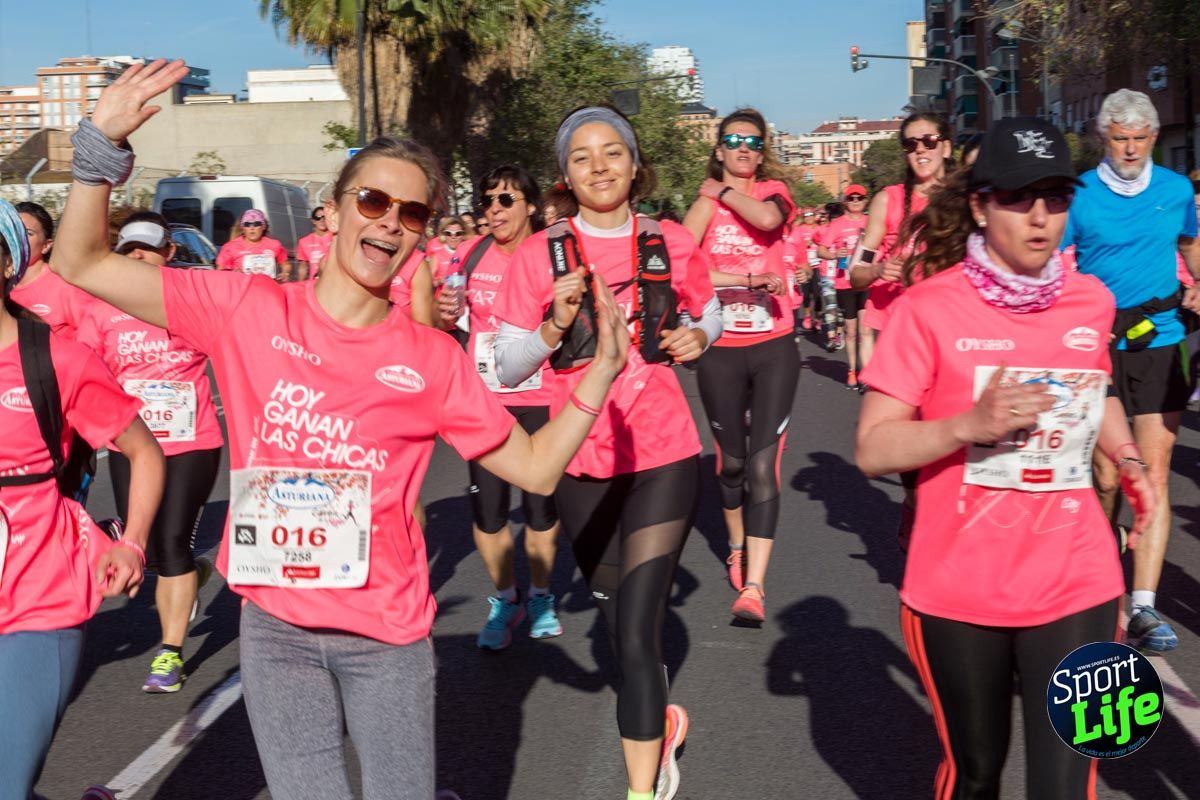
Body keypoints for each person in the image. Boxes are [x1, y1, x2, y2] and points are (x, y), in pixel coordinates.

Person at [52, 59, 630, 800]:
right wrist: (99, 146)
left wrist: (601, 373)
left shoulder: (430, 360)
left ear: (421, 237)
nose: (390, 221)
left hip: (384, 637)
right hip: (275, 630)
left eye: (412, 213)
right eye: (374, 199)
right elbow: (80, 260)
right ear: (337, 207)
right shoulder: (246, 308)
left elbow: (537, 471)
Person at [856, 117, 1156, 800]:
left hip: (1078, 577)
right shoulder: (928, 309)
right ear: (982, 204)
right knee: (975, 776)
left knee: (1067, 781)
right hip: (959, 587)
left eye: (1056, 197)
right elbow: (873, 448)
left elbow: (1096, 390)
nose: (1041, 217)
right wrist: (969, 423)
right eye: (1021, 198)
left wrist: (1129, 457)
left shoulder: (1091, 300)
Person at [493, 105, 721, 800]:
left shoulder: (671, 240)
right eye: (583, 157)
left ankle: (641, 788)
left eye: (612, 152)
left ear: (634, 162)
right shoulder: (538, 254)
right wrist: (555, 324)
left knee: (635, 634)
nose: (600, 167)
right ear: (566, 175)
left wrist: (699, 338)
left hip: (663, 452)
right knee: (614, 608)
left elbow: (706, 309)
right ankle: (665, 723)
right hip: (580, 459)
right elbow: (505, 366)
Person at [0, 198, 165, 800]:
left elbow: (144, 452)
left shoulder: (55, 359)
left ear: (8, 263)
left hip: (39, 598)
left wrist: (134, 544)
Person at [1060, 89, 1200, 653]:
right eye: (1121, 138)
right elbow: (1056, 262)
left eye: (1141, 138)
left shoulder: (1175, 189)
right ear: (1103, 137)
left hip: (1162, 339)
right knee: (1109, 475)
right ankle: (1100, 586)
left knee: (1156, 472)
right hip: (1098, 343)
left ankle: (1142, 606)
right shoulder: (1081, 195)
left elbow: (1191, 244)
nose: (1132, 149)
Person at [70, 211, 225, 693]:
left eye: (147, 248)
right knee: (149, 547)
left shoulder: (196, 300)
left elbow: (239, 354)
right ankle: (190, 575)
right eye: (128, 249)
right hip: (132, 444)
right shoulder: (101, 306)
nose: (136, 256)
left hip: (192, 441)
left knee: (174, 539)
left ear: (169, 253)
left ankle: (169, 653)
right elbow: (83, 370)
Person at [434, 165, 565, 649]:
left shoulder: (553, 254)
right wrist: (443, 316)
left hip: (542, 396)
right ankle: (506, 597)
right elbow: (446, 319)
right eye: (488, 201)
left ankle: (542, 596)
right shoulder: (471, 254)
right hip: (486, 399)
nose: (494, 210)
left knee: (539, 509)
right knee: (488, 512)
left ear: (530, 205)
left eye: (506, 200)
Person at [682, 108, 799, 622]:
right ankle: (736, 544)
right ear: (719, 147)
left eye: (752, 141)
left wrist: (721, 191)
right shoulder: (702, 206)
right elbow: (682, 260)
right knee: (730, 463)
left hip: (774, 344)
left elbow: (769, 220)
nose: (742, 148)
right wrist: (745, 279)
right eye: (732, 140)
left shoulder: (773, 189)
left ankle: (754, 586)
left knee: (761, 466)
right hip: (721, 348)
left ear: (762, 149)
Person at [815, 185, 870, 389]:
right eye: (852, 198)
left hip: (866, 280)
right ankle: (852, 371)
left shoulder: (870, 221)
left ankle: (866, 374)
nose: (855, 201)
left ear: (865, 201)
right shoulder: (837, 224)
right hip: (844, 282)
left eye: (859, 198)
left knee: (865, 331)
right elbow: (821, 250)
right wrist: (833, 255)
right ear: (846, 201)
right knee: (851, 330)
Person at [215, 209, 289, 280]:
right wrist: (234, 273)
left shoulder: (274, 245)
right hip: (241, 289)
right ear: (243, 227)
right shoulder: (230, 247)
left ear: (263, 226)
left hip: (266, 288)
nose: (252, 228)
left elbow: (285, 264)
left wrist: (285, 273)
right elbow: (220, 271)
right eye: (247, 224)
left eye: (256, 224)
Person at [296, 206, 332, 280]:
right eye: (318, 217)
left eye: (324, 217)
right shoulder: (304, 241)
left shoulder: (337, 238)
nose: (322, 220)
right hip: (315, 283)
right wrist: (300, 285)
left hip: (334, 282)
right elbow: (303, 267)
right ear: (313, 221)